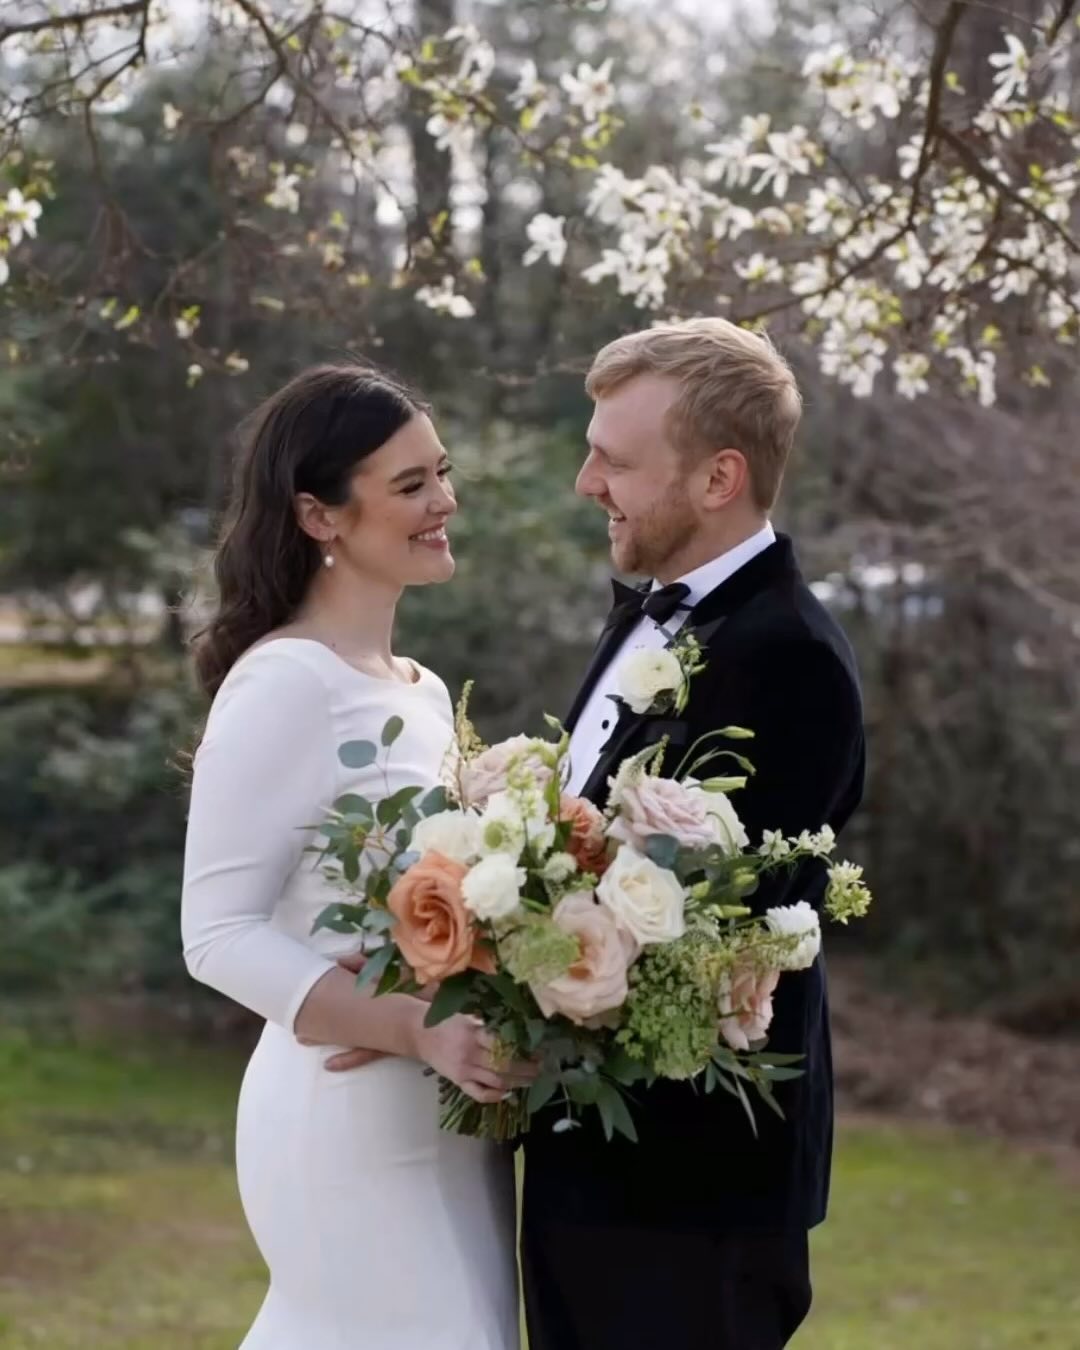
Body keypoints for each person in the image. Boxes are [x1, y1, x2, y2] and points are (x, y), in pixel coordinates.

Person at [519, 318, 866, 1350]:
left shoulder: (790, 658)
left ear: (719, 479)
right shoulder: (652, 615)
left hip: (695, 1189)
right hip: (589, 1161)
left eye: (615, 459)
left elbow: (714, 934)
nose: (588, 482)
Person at [180, 364, 527, 1350]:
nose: (445, 502)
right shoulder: (287, 683)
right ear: (318, 515)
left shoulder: (416, 691)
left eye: (442, 475)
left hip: (449, 1116)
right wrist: (411, 1029)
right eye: (411, 485)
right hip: (343, 1116)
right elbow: (215, 933)